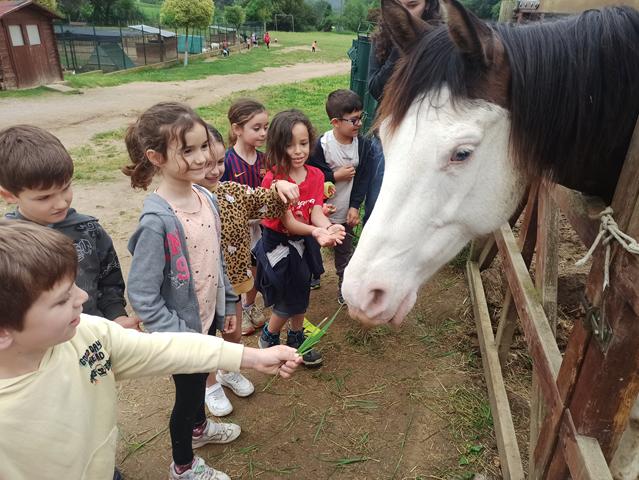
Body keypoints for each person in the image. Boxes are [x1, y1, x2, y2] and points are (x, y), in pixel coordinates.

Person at [0, 220, 302, 480]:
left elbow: (167, 349)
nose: (82, 297)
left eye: (74, 286)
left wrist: (254, 357)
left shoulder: (88, 332)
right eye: (61, 299)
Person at [122, 102, 245, 480]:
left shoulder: (206, 198)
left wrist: (227, 303)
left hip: (205, 320)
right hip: (182, 334)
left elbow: (215, 260)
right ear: (156, 157)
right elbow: (142, 295)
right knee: (188, 395)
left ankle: (200, 429)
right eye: (188, 150)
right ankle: (183, 466)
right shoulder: (157, 220)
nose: (202, 157)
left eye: (204, 146)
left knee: (199, 383)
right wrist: (180, 336)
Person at [197, 125, 300, 417]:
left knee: (233, 332)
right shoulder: (180, 205)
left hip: (234, 281)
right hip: (200, 289)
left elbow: (266, 203)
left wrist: (279, 187)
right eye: (206, 164)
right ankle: (209, 385)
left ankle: (229, 370)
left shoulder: (231, 192)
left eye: (220, 162)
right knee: (205, 340)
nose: (215, 170)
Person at [0, 125, 136, 330]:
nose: (61, 203)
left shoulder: (89, 231)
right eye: (44, 197)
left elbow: (109, 282)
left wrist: (116, 317)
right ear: (9, 195)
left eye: (65, 188)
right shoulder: (7, 245)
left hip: (95, 335)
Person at [255, 109, 346, 367]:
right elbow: (289, 223)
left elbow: (315, 211)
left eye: (303, 143)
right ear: (278, 146)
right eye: (290, 145)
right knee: (288, 294)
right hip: (278, 242)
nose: (298, 151)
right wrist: (317, 232)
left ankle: (295, 336)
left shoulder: (316, 175)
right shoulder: (275, 180)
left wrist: (328, 227)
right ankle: (269, 336)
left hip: (303, 240)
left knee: (303, 286)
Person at [366, 0, 441, 223]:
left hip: (426, 141)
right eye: (398, 6)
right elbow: (375, 89)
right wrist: (401, 47)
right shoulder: (382, 40)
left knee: (417, 209)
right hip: (388, 137)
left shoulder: (442, 39)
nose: (404, 13)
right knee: (377, 203)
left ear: (428, 4)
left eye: (413, 5)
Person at [308, 89, 373, 304]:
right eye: (353, 120)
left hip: (345, 212)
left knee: (344, 251)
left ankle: (344, 285)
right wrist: (335, 176)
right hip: (319, 213)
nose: (359, 124)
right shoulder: (322, 145)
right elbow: (312, 174)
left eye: (361, 117)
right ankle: (313, 274)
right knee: (312, 246)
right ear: (335, 122)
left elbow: (363, 178)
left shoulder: (362, 146)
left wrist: (355, 206)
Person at [221, 99, 270, 335]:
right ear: (237, 129)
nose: (263, 133)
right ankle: (237, 308)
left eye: (266, 127)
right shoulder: (226, 162)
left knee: (257, 266)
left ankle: (250, 305)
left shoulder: (265, 160)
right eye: (256, 128)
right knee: (238, 269)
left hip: (262, 227)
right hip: (236, 231)